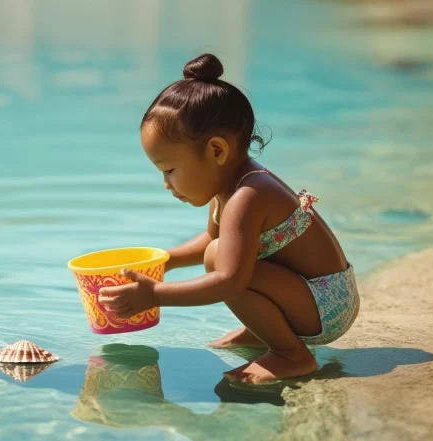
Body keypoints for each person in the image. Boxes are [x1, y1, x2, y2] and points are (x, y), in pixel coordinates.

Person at [98, 53, 360, 384]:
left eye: (169, 170)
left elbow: (230, 280)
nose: (166, 184)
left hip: (326, 306)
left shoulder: (248, 196)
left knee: (220, 260)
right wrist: (162, 262)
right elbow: (211, 239)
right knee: (217, 250)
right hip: (313, 296)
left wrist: (155, 294)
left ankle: (290, 354)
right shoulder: (229, 183)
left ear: (217, 151)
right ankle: (263, 332)